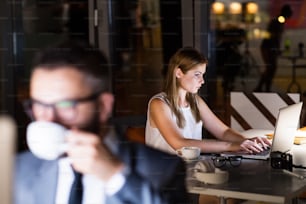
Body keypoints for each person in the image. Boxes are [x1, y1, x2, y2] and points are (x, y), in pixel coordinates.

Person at [14, 40, 190, 204]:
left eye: (66, 105)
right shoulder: (19, 169)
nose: (48, 119)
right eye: (39, 105)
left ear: (103, 106)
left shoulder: (161, 168)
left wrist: (116, 176)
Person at [145, 47, 271, 155]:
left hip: (190, 169)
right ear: (178, 73)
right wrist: (230, 146)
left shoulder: (195, 101)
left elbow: (223, 132)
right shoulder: (159, 104)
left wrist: (246, 141)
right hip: (163, 176)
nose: (202, 81)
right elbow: (179, 143)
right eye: (197, 75)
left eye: (203, 75)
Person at [254, 4, 293, 92]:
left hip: (269, 48)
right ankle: (263, 88)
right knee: (270, 68)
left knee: (271, 68)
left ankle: (262, 88)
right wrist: (277, 48)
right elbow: (275, 37)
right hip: (267, 48)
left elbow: (276, 37)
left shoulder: (278, 21)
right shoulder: (278, 22)